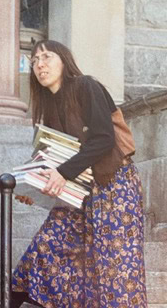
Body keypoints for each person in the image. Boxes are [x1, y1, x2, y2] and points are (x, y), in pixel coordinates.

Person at [11, 40, 147, 308]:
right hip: (78, 192)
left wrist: (61, 173)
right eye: (35, 60)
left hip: (114, 187)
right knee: (47, 246)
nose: (40, 64)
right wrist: (35, 188)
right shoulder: (47, 108)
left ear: (64, 61)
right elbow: (53, 158)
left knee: (115, 271)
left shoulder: (86, 86)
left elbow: (104, 139)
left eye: (47, 57)